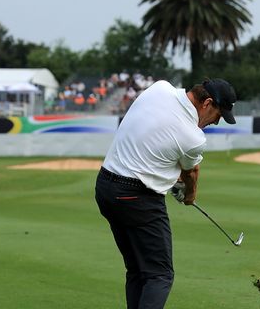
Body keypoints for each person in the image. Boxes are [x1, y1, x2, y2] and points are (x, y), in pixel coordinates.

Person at [95, 78, 237, 309]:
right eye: (219, 115)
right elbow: (191, 171)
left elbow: (157, 140)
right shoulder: (194, 138)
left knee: (139, 271)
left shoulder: (159, 88)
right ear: (207, 103)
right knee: (159, 276)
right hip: (137, 198)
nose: (216, 122)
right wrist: (190, 195)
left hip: (105, 188)